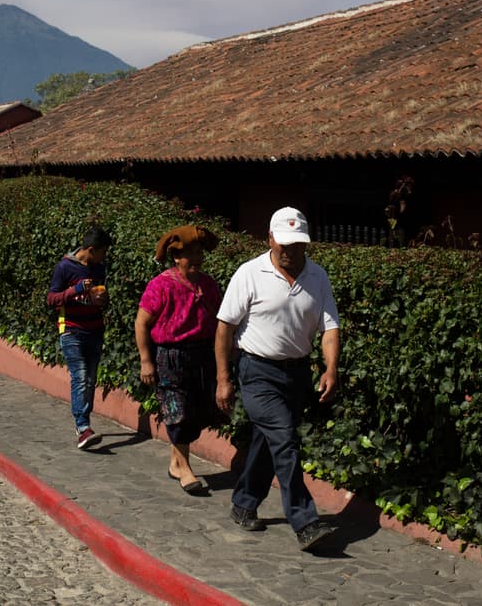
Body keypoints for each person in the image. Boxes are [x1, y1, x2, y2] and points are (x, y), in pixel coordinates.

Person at [215, 206, 340, 552]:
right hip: (257, 372)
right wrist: (223, 378)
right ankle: (305, 521)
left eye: (297, 244)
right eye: (283, 243)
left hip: (297, 373)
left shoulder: (318, 277)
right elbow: (225, 326)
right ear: (269, 239)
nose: (289, 250)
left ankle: (243, 504)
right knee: (284, 440)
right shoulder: (249, 273)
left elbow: (330, 327)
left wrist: (331, 368)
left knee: (269, 442)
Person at [134, 225, 223, 496]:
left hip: (202, 355)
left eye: (199, 253)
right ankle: (185, 469)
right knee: (178, 412)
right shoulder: (160, 285)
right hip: (170, 356)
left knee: (194, 411)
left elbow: (222, 320)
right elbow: (141, 323)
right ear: (176, 257)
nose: (196, 259)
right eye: (190, 254)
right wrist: (146, 360)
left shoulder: (207, 284)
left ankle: (175, 462)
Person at [47, 226, 113, 450]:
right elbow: (51, 299)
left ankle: (85, 425)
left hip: (95, 329)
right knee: (81, 376)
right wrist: (74, 289)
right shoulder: (64, 267)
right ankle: (83, 427)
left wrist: (103, 299)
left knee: (91, 378)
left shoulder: (99, 268)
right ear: (91, 249)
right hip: (71, 329)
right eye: (103, 252)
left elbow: (102, 301)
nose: (105, 257)